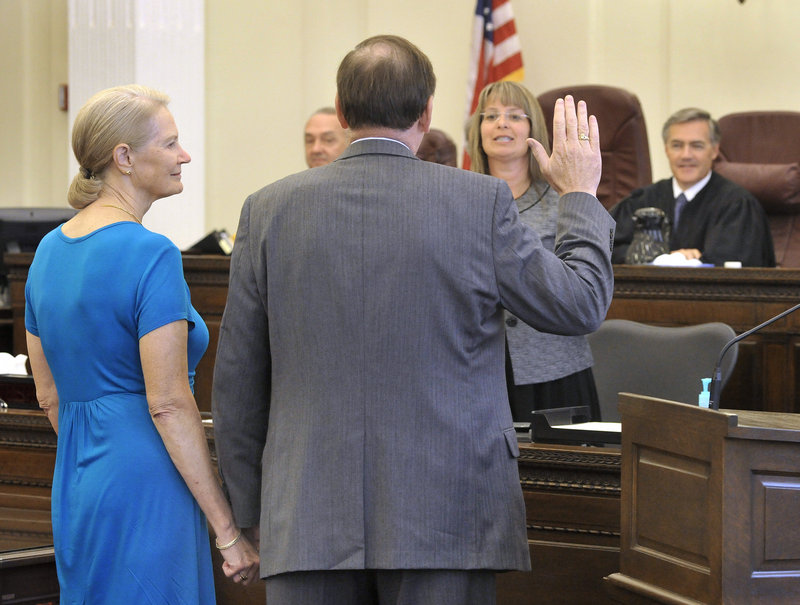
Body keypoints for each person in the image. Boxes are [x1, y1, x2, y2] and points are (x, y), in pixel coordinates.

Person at [212, 34, 614, 605]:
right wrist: (579, 195)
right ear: (428, 111)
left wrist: (247, 511)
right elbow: (580, 303)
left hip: (305, 514)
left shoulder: (268, 209)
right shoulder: (480, 203)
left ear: (343, 111)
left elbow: (237, 378)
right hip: (448, 515)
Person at [24, 84, 259, 602]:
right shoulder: (151, 254)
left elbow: (48, 395)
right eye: (171, 143)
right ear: (124, 157)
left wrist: (98, 450)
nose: (185, 155)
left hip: (78, 480)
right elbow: (170, 404)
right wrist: (227, 531)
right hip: (148, 478)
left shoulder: (46, 251)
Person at [466, 81, 600, 422]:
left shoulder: (565, 198)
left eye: (514, 115)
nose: (501, 123)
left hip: (555, 371)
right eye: (491, 116)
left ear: (533, 129)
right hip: (478, 370)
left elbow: (592, 273)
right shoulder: (459, 201)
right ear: (477, 130)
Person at [610, 107, 775, 267]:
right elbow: (606, 250)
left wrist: (687, 261)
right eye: (677, 145)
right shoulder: (641, 201)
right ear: (666, 149)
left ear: (715, 150)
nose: (686, 155)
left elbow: (734, 264)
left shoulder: (737, 206)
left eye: (697, 146)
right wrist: (663, 259)